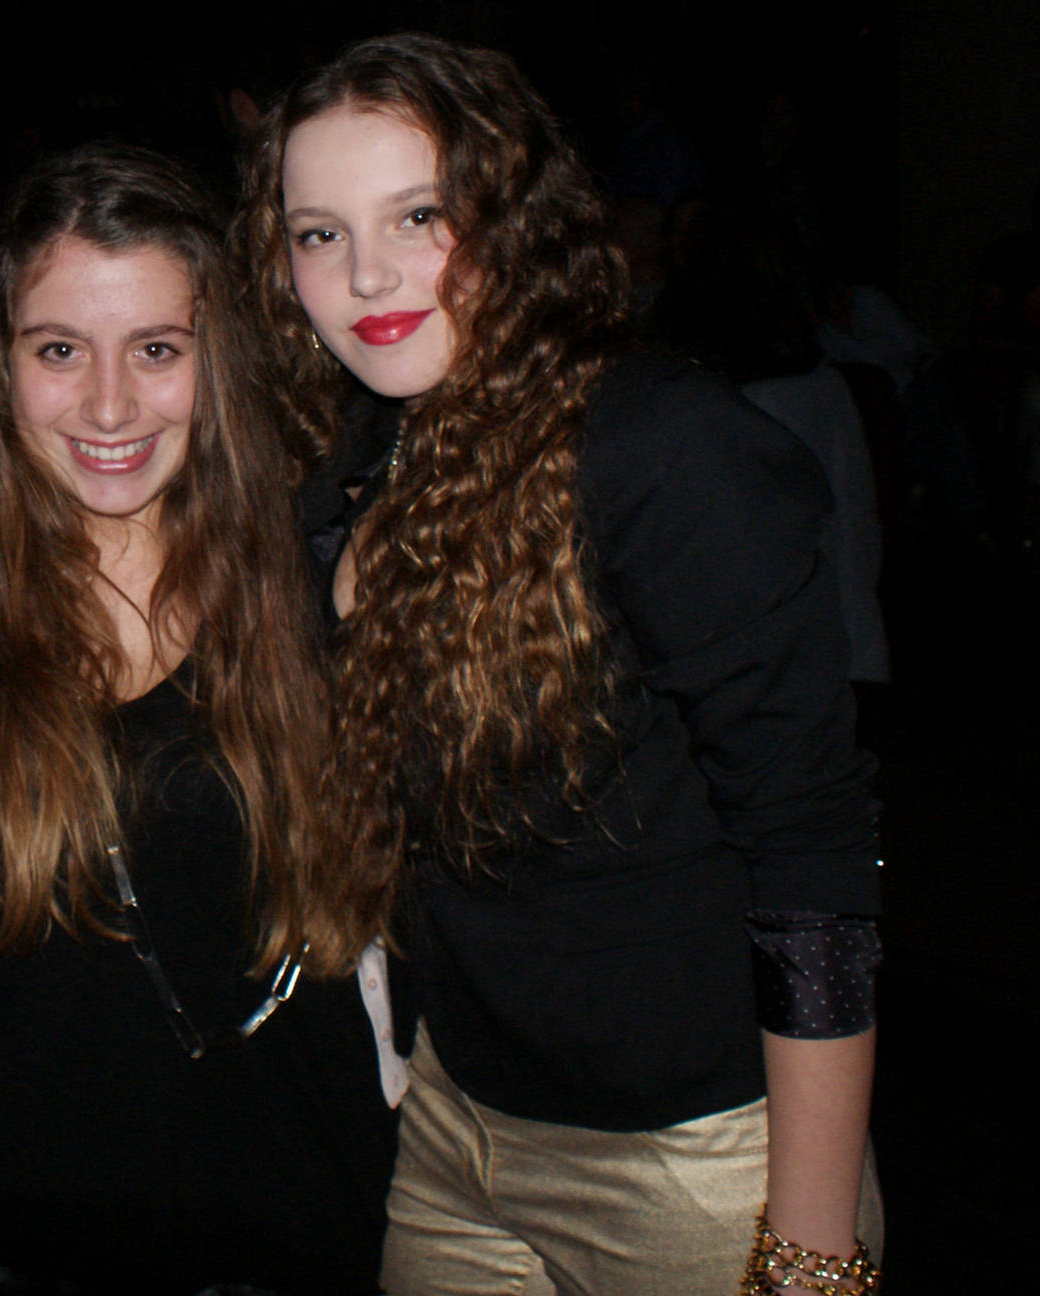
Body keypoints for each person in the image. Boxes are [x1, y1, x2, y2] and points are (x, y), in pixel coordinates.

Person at [238, 35, 883, 1296]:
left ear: (515, 218)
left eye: (419, 215)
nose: (365, 274)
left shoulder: (657, 447)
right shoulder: (359, 458)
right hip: (452, 1130)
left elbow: (813, 852)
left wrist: (810, 1247)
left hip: (693, 1159)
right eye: (319, 233)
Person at [0, 143, 401, 1292]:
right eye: (60, 350)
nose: (108, 405)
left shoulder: (315, 572)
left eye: (156, 350)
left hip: (301, 1232)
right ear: (3, 363)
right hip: (10, 1246)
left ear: (216, 361)